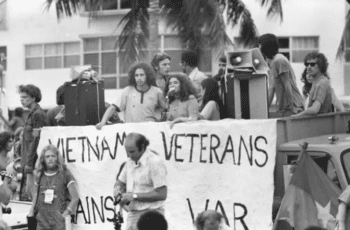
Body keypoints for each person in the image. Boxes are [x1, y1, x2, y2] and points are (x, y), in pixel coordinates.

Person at [113, 133, 167, 230]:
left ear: (142, 147)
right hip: (133, 214)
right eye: (127, 151)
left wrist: (134, 196)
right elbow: (120, 182)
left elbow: (162, 193)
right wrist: (117, 191)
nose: (128, 155)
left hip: (152, 215)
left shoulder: (155, 162)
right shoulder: (129, 162)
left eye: (132, 152)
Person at [96, 62, 166, 128]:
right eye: (136, 75)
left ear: (147, 76)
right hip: (132, 132)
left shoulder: (157, 92)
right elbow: (112, 108)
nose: (139, 78)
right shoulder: (127, 91)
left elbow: (166, 109)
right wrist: (102, 122)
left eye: (142, 75)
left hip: (150, 131)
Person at [28, 145, 79, 230]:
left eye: (53, 156)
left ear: (57, 158)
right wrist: (31, 211)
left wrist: (66, 213)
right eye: (47, 156)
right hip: (42, 221)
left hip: (58, 221)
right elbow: (35, 196)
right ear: (43, 159)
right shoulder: (39, 175)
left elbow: (75, 198)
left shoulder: (65, 174)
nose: (50, 158)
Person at [258, 33, 304, 117]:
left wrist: (292, 107)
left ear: (266, 46)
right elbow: (271, 87)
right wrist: (264, 110)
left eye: (260, 45)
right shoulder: (269, 61)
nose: (259, 48)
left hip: (293, 105)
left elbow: (287, 84)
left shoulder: (279, 60)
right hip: (283, 107)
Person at [18, 84, 47, 199]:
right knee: (30, 193)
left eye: (24, 97)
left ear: (33, 98)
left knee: (33, 195)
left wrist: (29, 164)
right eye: (21, 98)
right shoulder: (32, 114)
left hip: (34, 163)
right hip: (29, 162)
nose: (22, 100)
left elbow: (36, 140)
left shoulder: (37, 115)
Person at [293, 52, 333, 116]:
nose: (308, 67)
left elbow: (315, 109)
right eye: (307, 64)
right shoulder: (317, 82)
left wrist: (299, 115)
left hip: (320, 123)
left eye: (312, 64)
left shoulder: (322, 83)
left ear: (321, 66)